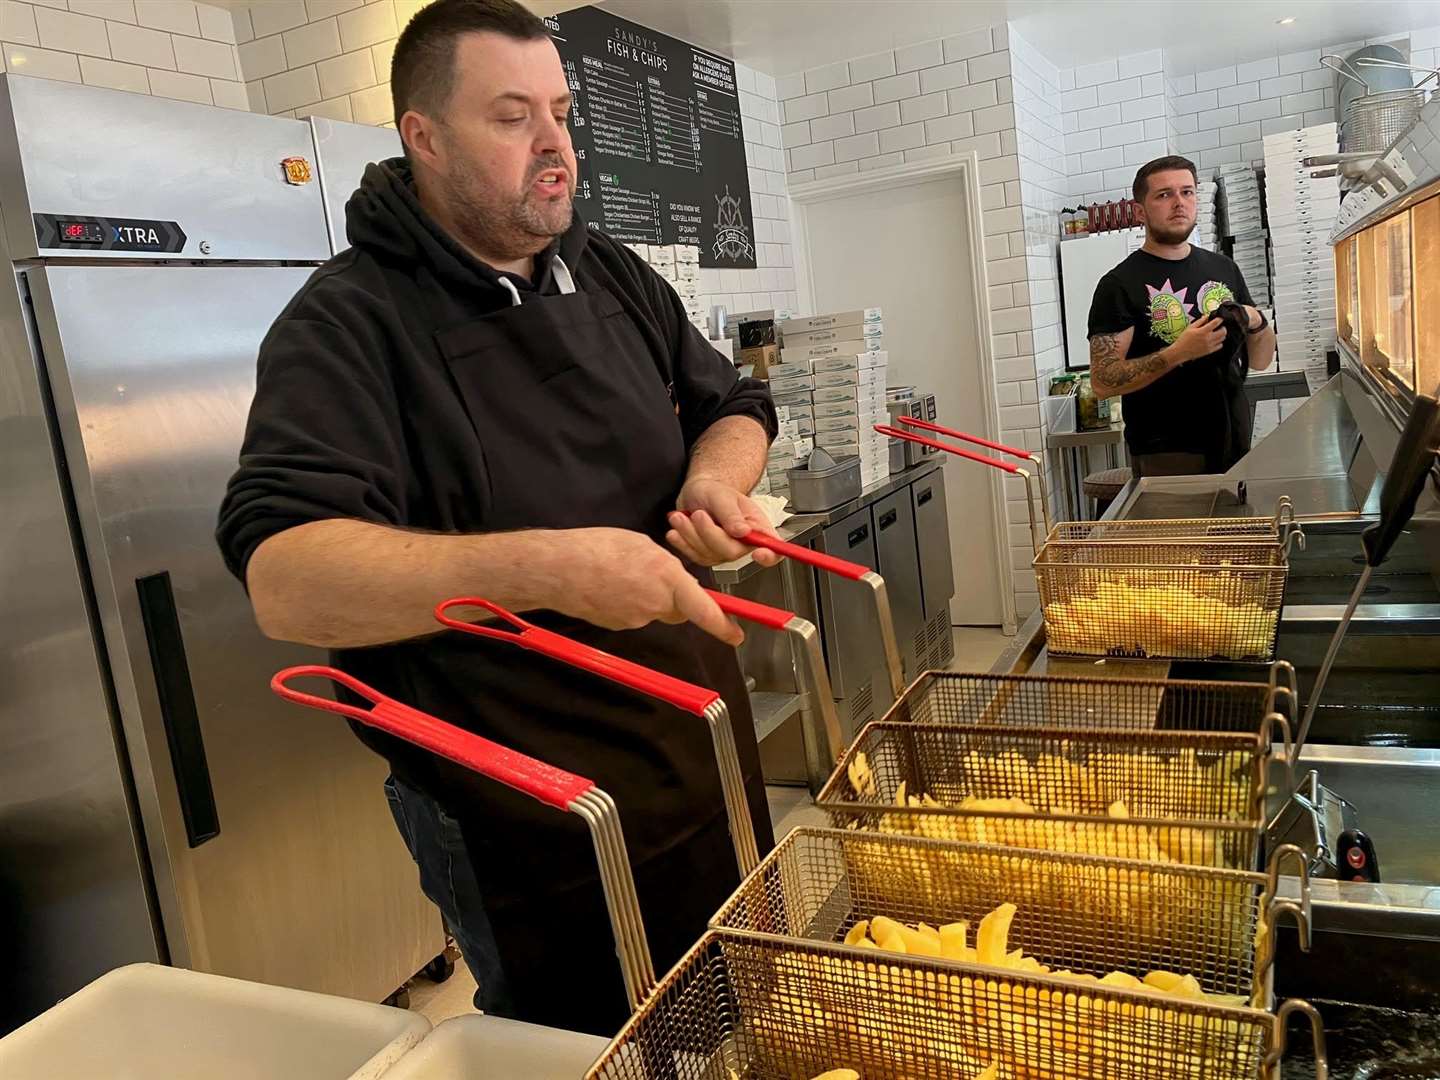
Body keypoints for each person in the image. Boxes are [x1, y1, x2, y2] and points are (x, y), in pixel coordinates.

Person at [216, 0, 779, 1035]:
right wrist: (552, 571)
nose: (557, 144)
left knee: (741, 1021)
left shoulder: (608, 271)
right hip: (531, 814)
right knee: (591, 1049)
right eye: (512, 117)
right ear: (423, 137)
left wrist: (715, 480)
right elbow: (286, 580)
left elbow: (735, 404)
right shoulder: (347, 323)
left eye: (562, 112)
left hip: (701, 749)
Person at [1087, 155, 1277, 477]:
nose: (1179, 203)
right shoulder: (1119, 285)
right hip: (1167, 454)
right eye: (1164, 195)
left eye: (1187, 192)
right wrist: (1179, 353)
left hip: (1235, 440)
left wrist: (1256, 321)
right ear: (1140, 211)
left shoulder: (1223, 268)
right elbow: (1103, 381)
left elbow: (1260, 361)